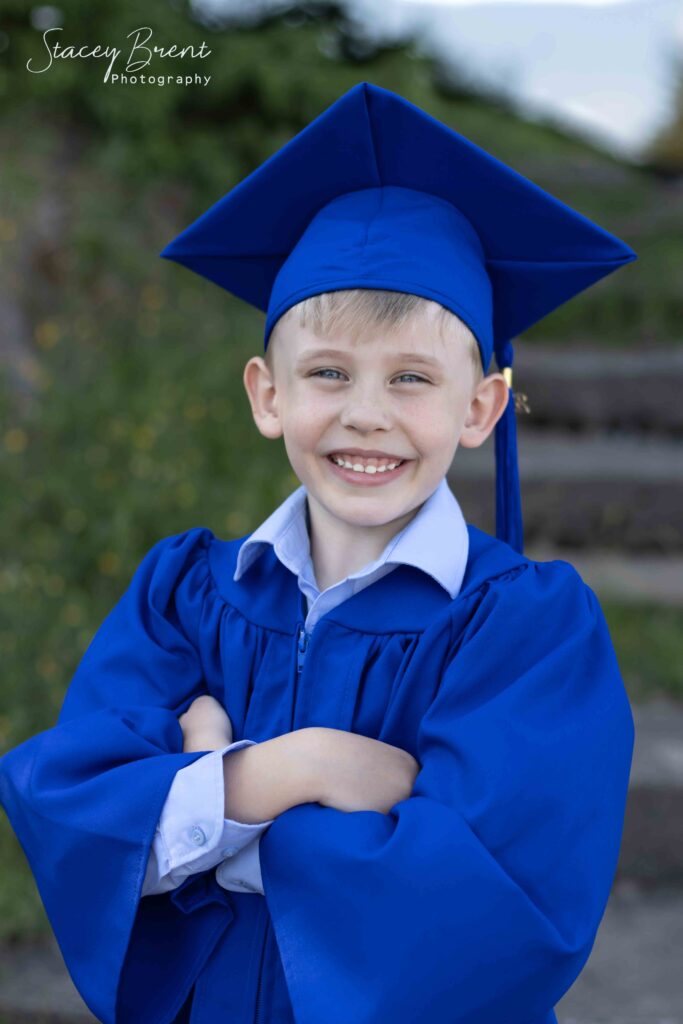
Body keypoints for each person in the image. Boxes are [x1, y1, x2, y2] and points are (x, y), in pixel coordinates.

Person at [0, 82, 637, 1024]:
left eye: (411, 379)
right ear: (266, 395)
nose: (365, 412)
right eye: (327, 373)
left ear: (480, 409)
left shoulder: (525, 628)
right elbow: (71, 808)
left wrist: (208, 802)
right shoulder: (182, 593)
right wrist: (294, 770)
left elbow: (499, 902)